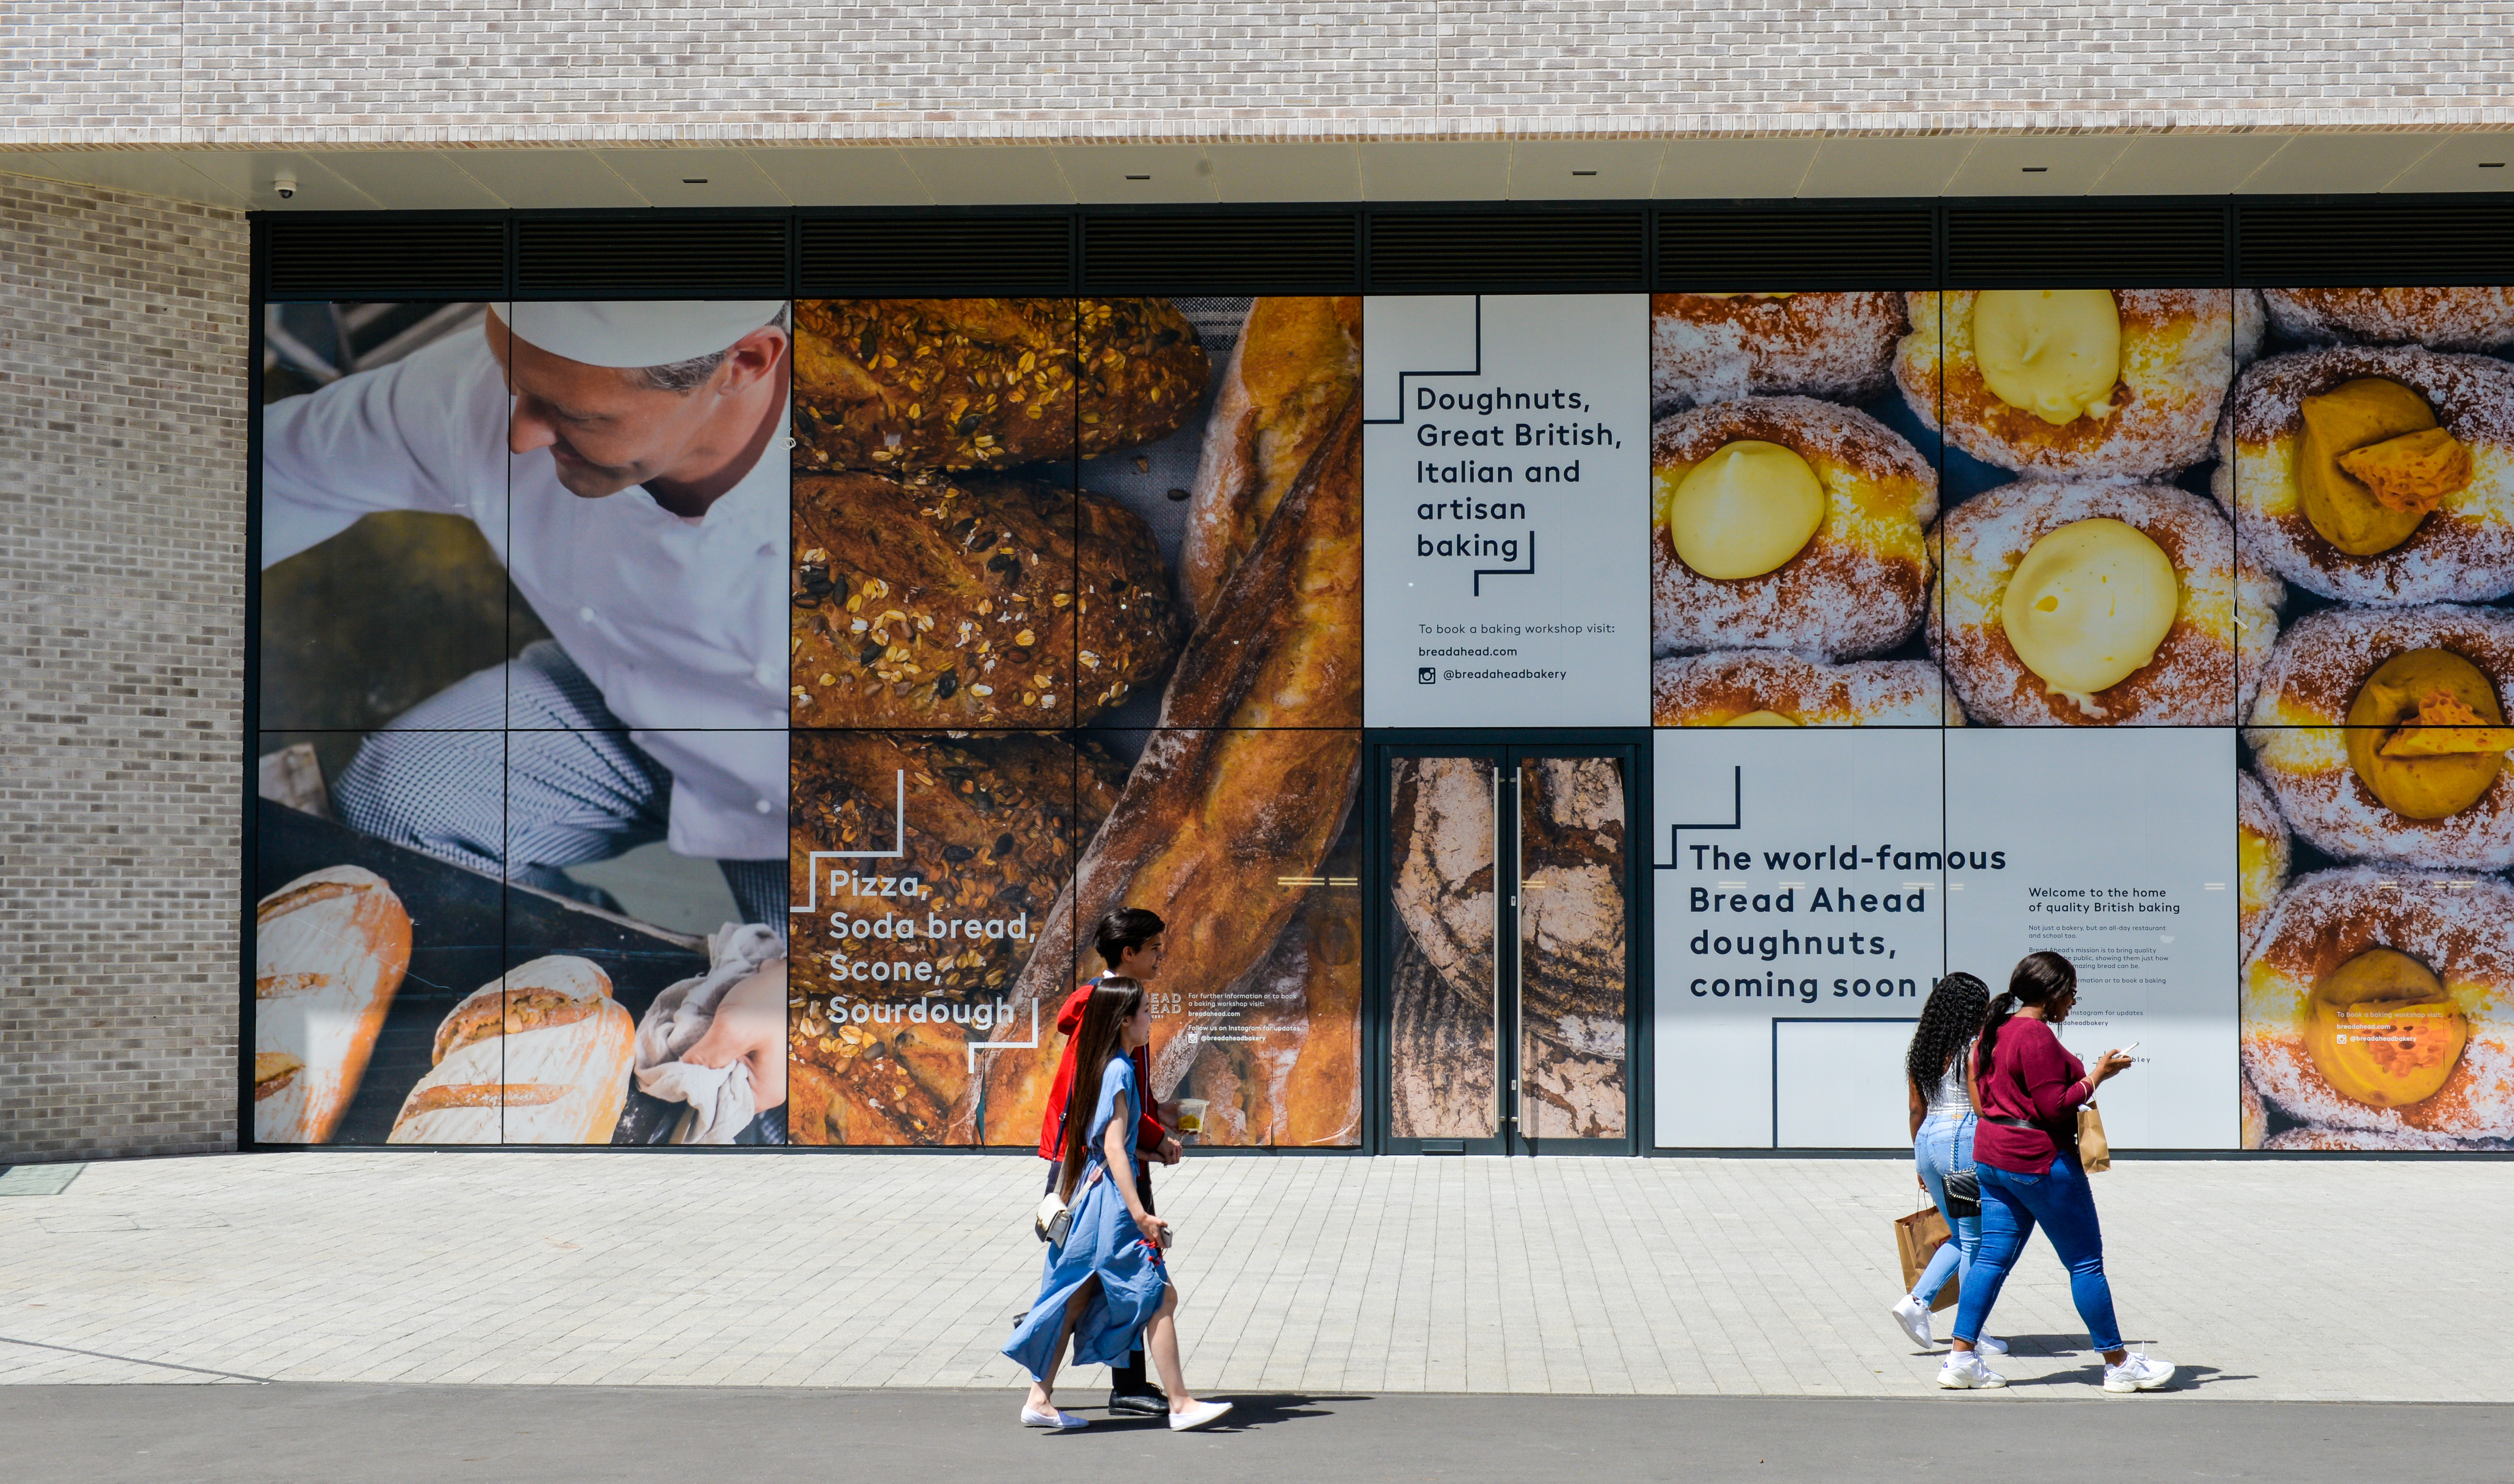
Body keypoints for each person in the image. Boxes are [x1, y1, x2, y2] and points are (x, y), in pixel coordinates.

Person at [262, 301, 794, 927]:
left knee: (837, 1005)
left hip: (845, 788)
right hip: (624, 684)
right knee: (401, 807)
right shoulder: (485, 394)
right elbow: (267, 471)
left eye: (576, 414)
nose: (520, 435)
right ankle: (594, 979)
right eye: (517, 387)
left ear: (744, 363)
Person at [1939, 952, 2173, 1393]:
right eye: (2070, 993)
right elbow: (2054, 1106)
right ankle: (2118, 1363)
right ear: (2051, 994)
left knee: (1990, 1258)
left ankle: (1960, 1358)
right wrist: (2098, 1076)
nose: (2072, 1002)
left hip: (1992, 1157)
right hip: (2039, 1161)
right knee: (2085, 1263)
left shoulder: (1993, 1031)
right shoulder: (2037, 1036)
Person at [1006, 978, 1230, 1433]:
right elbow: (1112, 1148)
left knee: (1072, 1297)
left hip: (1094, 1201)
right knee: (1159, 1294)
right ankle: (1181, 1404)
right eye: (1146, 1011)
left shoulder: (1104, 1065)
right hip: (1111, 1208)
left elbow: (1105, 1143)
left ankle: (1039, 1398)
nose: (1152, 1019)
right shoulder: (1120, 1071)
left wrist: (1149, 1151)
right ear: (1125, 1020)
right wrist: (1141, 1214)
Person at [1034, 907, 1181, 1416]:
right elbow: (1101, 1098)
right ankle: (1082, 1374)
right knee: (1110, 1273)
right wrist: (1156, 1138)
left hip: (1089, 1156)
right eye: (1155, 948)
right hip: (1093, 1162)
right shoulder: (1114, 1006)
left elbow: (1127, 1093)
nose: (1162, 956)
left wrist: (1159, 1113)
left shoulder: (1110, 1001)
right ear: (1129, 953)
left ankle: (1115, 1381)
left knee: (1108, 1273)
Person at [1889, 972, 2007, 1357]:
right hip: (1961, 1145)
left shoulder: (1923, 1048)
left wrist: (1921, 1162)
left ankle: (1917, 1303)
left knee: (1959, 1236)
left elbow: (1914, 1109)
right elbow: (1981, 1105)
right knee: (1974, 1239)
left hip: (1927, 1146)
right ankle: (1968, 1330)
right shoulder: (1974, 1048)